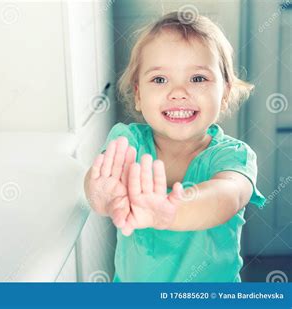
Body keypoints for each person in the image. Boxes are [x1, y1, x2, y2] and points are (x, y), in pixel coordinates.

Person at [84, 11, 266, 282]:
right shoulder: (128, 141)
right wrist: (100, 194)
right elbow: (99, 190)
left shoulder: (233, 156)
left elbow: (226, 197)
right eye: (159, 80)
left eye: (197, 79)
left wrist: (169, 214)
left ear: (225, 93)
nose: (178, 92)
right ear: (138, 94)